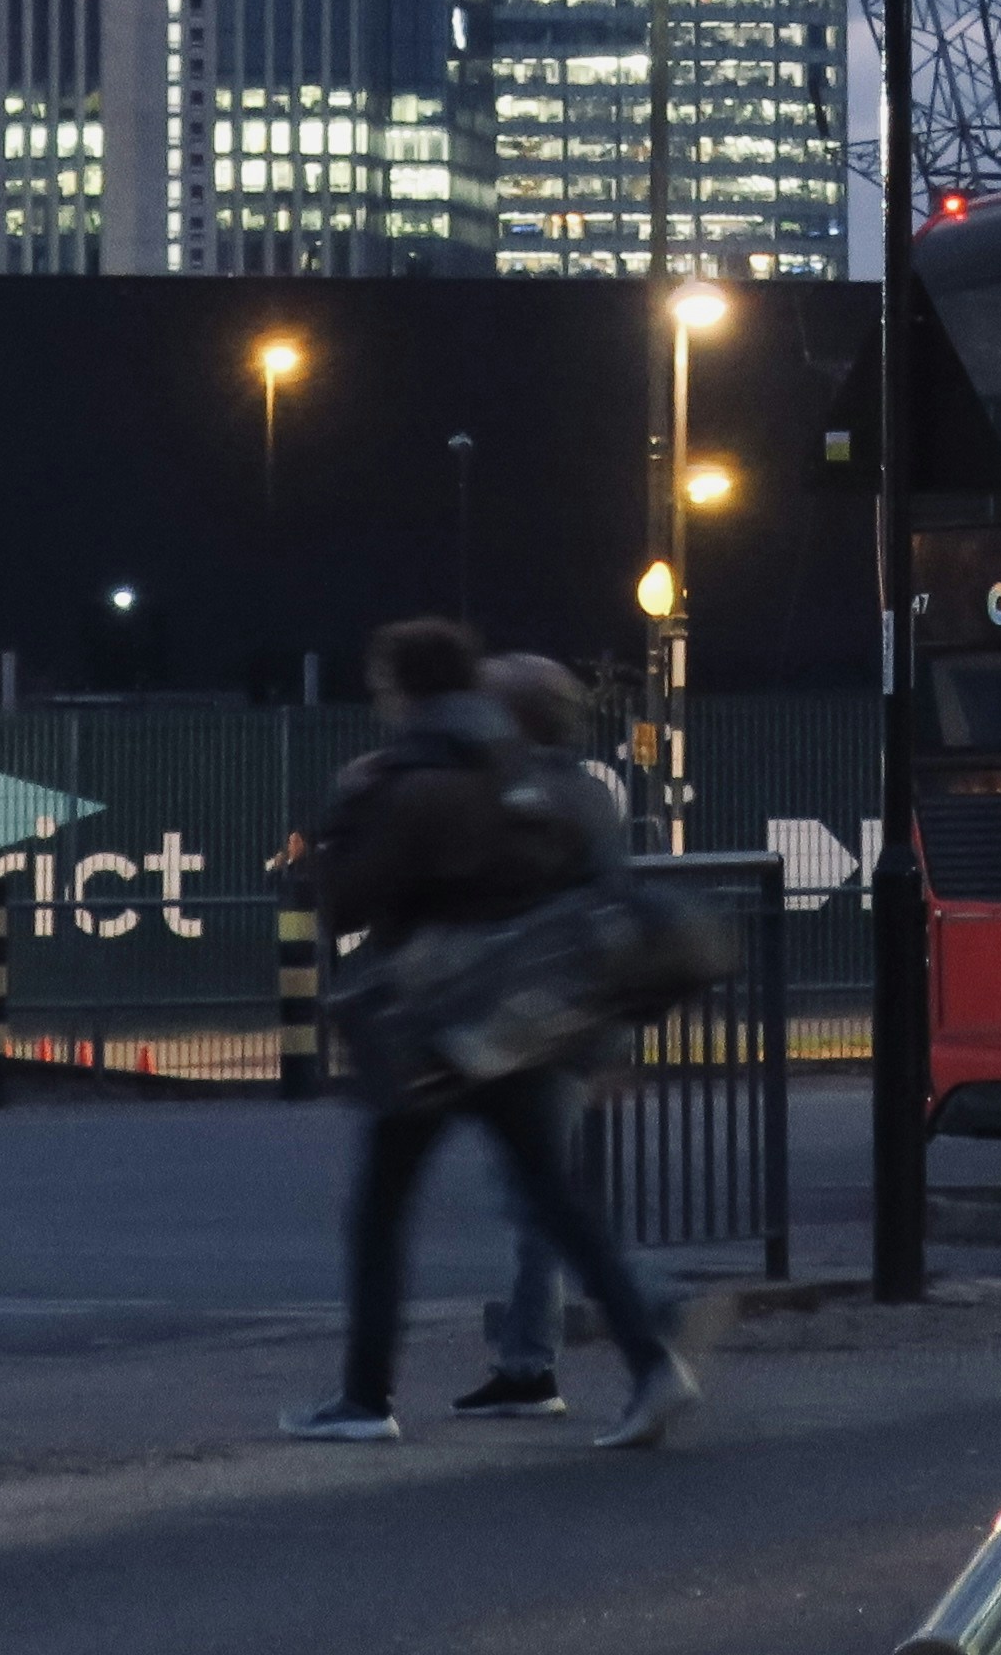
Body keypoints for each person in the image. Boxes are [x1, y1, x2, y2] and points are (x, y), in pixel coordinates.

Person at [280, 617, 694, 1450]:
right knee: (552, 1196)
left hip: (429, 1025)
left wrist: (339, 827)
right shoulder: (533, 777)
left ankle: (365, 1398)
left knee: (382, 1208)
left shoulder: (412, 781)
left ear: (401, 688)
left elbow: (343, 903)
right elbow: (589, 895)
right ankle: (651, 1362)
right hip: (517, 1024)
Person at [446, 652, 661, 1422]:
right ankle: (530, 1361)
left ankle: (652, 1320)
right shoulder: (586, 796)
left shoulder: (527, 798)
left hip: (536, 1025)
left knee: (542, 1200)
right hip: (562, 1023)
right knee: (539, 1199)